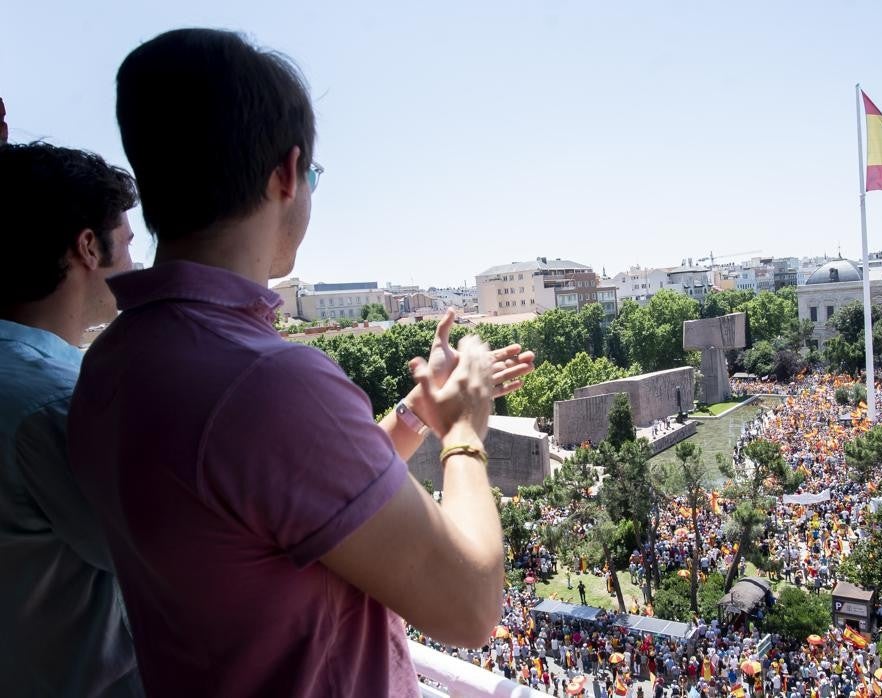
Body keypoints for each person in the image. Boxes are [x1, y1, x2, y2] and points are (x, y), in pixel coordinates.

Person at [68, 29, 533, 696]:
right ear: (287, 174)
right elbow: (472, 604)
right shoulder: (265, 385)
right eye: (312, 175)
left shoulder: (110, 365)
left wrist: (413, 415)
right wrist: (464, 425)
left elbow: (275, 499)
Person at [0, 142, 144, 695]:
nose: (133, 266)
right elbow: (174, 554)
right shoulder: (55, 406)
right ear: (89, 247)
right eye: (126, 245)